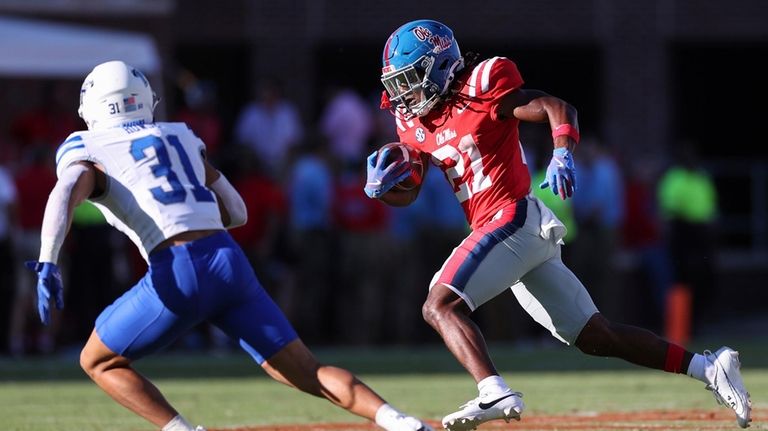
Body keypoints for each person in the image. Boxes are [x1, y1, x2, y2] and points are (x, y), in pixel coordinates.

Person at [365, 19, 751, 430]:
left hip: (511, 216)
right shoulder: (414, 122)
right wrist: (384, 186)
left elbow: (556, 107)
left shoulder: (481, 90)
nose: (405, 93)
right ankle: (709, 368)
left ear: (441, 67)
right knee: (597, 337)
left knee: (439, 304)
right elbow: (410, 191)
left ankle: (493, 389)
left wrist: (562, 152)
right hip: (510, 232)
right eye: (398, 83)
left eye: (411, 79)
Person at [25, 60, 433, 431]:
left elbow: (63, 194)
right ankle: (400, 422)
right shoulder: (179, 136)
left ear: (92, 106)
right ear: (145, 99)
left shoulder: (86, 147)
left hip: (177, 265)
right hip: (228, 260)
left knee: (96, 360)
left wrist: (48, 259)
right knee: (309, 371)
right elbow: (237, 211)